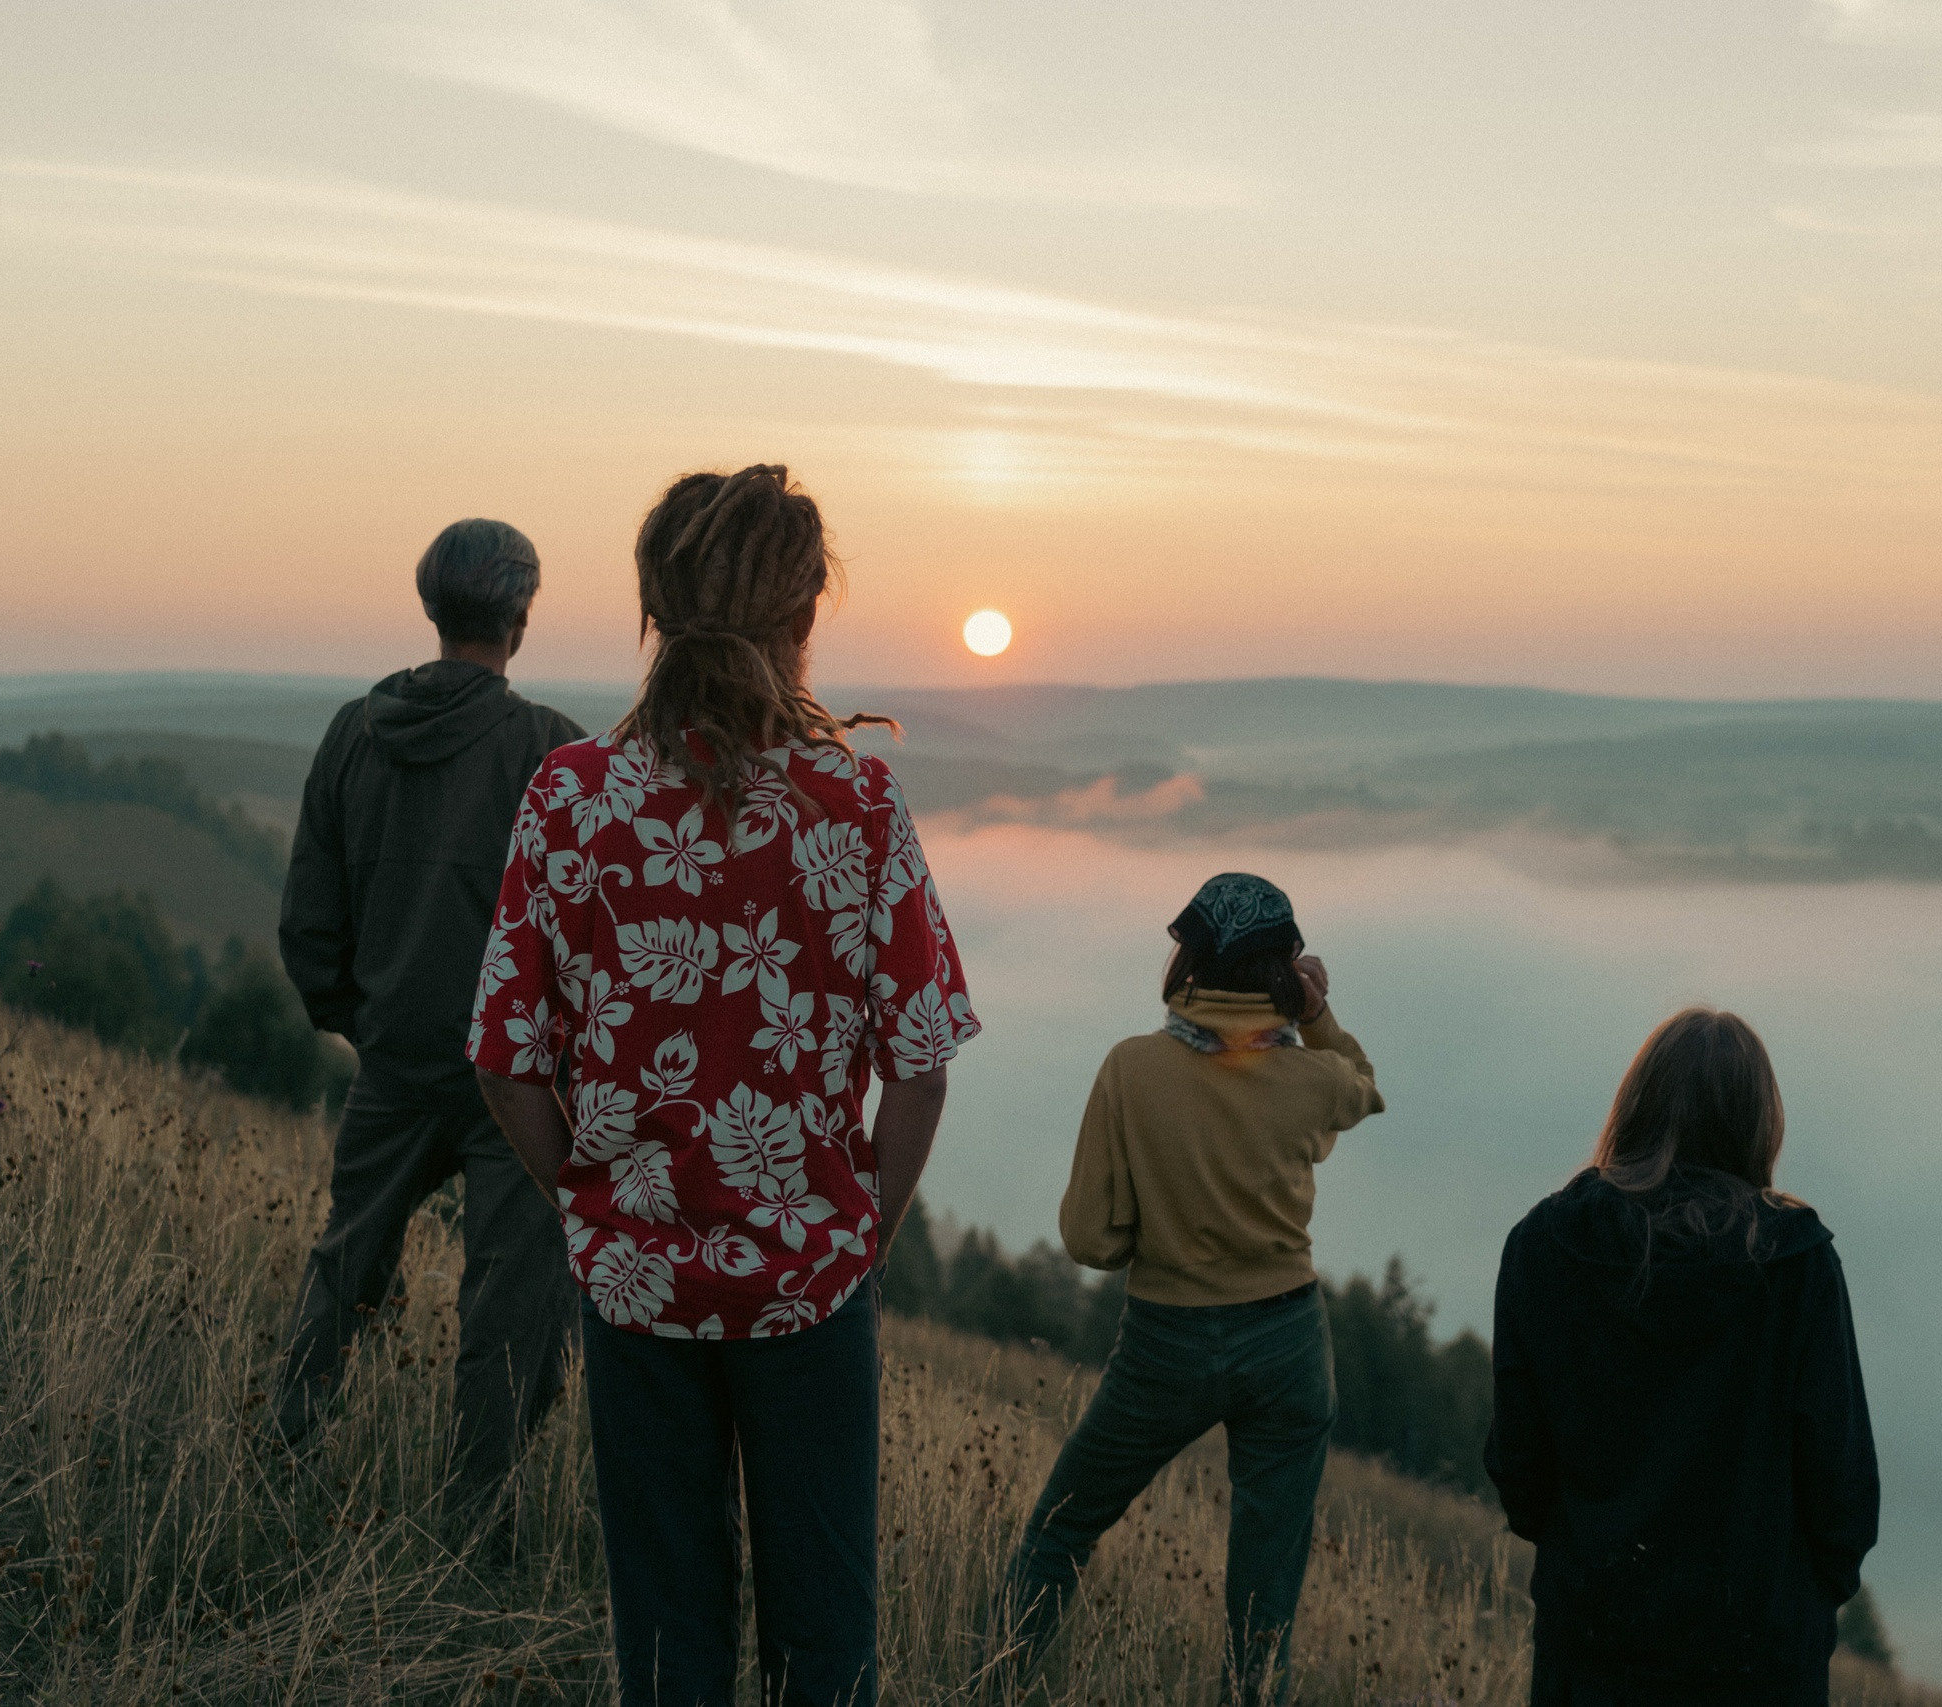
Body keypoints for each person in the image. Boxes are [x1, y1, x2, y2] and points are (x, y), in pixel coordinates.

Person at [469, 464, 975, 1707]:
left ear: (652, 607)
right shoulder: (852, 803)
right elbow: (918, 1066)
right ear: (802, 621)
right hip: (809, 1286)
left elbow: (502, 1058)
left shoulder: (574, 797)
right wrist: (865, 1234)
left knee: (666, 1640)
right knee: (825, 1645)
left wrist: (592, 1207)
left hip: (635, 1289)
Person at [1001, 873, 1384, 1705]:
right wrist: (1314, 1011)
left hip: (1165, 1341)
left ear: (1189, 960)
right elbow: (1362, 1081)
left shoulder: (1132, 1070)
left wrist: (1165, 1227)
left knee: (1061, 1528)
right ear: (1284, 972)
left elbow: (1088, 1239)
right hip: (1288, 1345)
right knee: (1262, 1610)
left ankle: (992, 1685)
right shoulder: (1310, 1081)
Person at [274, 518, 587, 1493]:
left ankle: (279, 1457)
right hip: (522, 1085)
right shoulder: (551, 751)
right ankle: (475, 1528)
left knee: (343, 1269)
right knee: (510, 1307)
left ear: (430, 605)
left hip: (394, 1061)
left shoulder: (352, 735)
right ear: (521, 618)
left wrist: (369, 1024)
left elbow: (308, 928)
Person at [1484, 1008, 1880, 1707]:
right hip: (1760, 1662)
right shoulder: (1796, 1267)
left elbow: (1520, 1462)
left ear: (1635, 1106)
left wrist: (1586, 1559)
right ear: (1758, 1122)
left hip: (1593, 1651)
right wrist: (1799, 1604)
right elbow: (1842, 1490)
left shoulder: (1543, 1245)